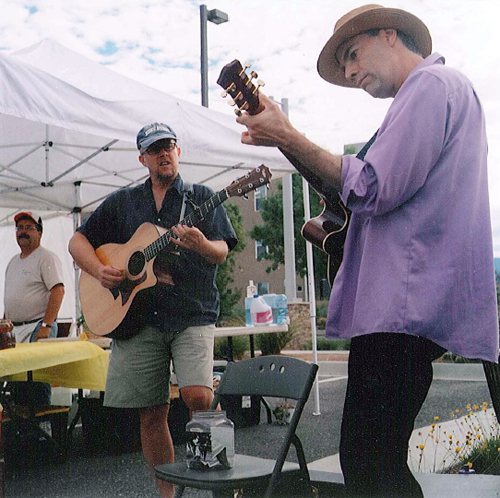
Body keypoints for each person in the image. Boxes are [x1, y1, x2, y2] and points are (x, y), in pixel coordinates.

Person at [235, 4, 499, 498]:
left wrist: (287, 134)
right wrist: (284, 139)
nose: (351, 72)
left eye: (353, 55)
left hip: (402, 306)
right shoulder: (445, 92)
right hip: (413, 303)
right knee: (376, 462)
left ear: (389, 35)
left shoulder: (428, 88)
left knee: (369, 464)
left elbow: (373, 186)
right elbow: (359, 195)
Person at [68, 122, 237, 498]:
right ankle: (167, 495)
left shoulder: (200, 198)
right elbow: (77, 241)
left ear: (178, 152)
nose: (164, 153)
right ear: (142, 157)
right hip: (137, 319)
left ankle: (215, 486)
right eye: (155, 148)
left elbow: (222, 250)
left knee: (198, 397)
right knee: (150, 412)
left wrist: (200, 244)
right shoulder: (123, 203)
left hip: (191, 312)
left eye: (170, 146)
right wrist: (100, 270)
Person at [3, 211, 65, 405]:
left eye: (29, 228)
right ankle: (23, 430)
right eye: (19, 228)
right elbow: (11, 299)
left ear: (40, 232)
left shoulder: (46, 258)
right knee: (18, 382)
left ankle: (42, 428)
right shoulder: (13, 262)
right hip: (15, 330)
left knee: (37, 380)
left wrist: (46, 326)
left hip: (38, 326)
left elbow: (58, 291)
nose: (23, 232)